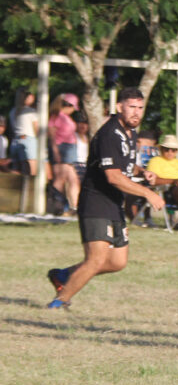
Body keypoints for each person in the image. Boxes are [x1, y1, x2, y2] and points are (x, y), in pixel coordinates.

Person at [45, 87, 165, 309]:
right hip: (96, 202)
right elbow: (114, 176)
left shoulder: (131, 133)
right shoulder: (110, 134)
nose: (136, 112)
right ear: (119, 107)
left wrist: (141, 171)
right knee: (96, 260)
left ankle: (63, 276)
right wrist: (148, 192)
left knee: (118, 262)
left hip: (113, 204)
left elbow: (124, 164)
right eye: (131, 107)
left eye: (140, 108)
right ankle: (58, 303)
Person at [48, 93, 81, 215]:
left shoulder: (66, 118)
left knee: (72, 179)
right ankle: (57, 205)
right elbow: (52, 136)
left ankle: (73, 206)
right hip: (62, 148)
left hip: (69, 149)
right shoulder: (56, 117)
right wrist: (55, 151)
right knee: (61, 178)